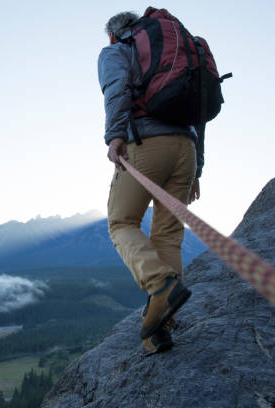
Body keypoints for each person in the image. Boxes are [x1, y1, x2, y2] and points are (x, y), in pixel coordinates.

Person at [98, 10, 201, 355]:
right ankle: (160, 330)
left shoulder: (117, 49)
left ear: (113, 35)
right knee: (169, 234)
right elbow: (199, 112)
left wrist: (115, 135)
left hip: (145, 144)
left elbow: (117, 89)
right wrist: (197, 167)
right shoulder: (180, 53)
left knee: (121, 222)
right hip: (185, 149)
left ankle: (160, 285)